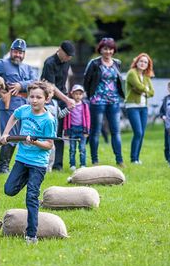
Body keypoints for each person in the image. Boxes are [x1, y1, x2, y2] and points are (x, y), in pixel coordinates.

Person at [0, 81, 56, 245]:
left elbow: (49, 145)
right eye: (31, 96)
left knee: (31, 197)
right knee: (9, 190)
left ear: (46, 99)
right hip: (21, 160)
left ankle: (31, 235)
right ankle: (30, 184)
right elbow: (14, 116)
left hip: (38, 164)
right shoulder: (24, 111)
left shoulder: (48, 120)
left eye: (38, 97)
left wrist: (36, 142)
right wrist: (6, 133)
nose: (34, 100)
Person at [0, 38, 37, 173]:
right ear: (11, 51)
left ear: (24, 54)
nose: (18, 55)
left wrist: (21, 85)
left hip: (25, 105)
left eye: (21, 52)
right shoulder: (3, 64)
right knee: (10, 135)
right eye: (16, 52)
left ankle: (21, 165)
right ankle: (3, 167)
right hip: (9, 105)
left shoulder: (28, 68)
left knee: (22, 136)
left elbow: (36, 81)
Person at [83, 37, 125, 167]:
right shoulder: (94, 63)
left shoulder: (117, 63)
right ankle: (95, 160)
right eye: (105, 49)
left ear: (114, 50)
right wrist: (90, 95)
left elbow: (118, 81)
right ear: (100, 49)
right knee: (95, 131)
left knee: (115, 131)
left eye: (110, 49)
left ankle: (119, 160)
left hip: (114, 100)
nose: (108, 51)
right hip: (97, 100)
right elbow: (87, 80)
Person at [40, 40, 77, 171]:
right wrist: (67, 99)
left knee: (59, 134)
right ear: (60, 50)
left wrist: (68, 98)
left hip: (62, 99)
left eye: (70, 56)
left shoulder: (67, 62)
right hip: (49, 101)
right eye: (67, 55)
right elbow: (52, 87)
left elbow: (65, 81)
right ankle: (45, 163)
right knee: (50, 133)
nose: (68, 58)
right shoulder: (49, 63)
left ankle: (58, 165)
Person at [125, 53, 155, 164]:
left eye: (145, 62)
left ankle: (137, 158)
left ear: (148, 65)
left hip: (144, 107)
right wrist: (143, 89)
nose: (143, 64)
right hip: (132, 106)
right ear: (136, 62)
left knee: (141, 133)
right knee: (137, 132)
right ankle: (133, 159)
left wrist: (143, 90)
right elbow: (139, 86)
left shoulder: (146, 76)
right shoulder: (131, 73)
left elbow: (152, 92)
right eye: (141, 61)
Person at [63, 84, 90, 171]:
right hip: (72, 130)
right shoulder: (70, 105)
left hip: (82, 130)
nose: (78, 96)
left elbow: (88, 118)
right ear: (72, 94)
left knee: (82, 149)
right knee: (72, 149)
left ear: (82, 95)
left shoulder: (84, 105)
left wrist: (87, 130)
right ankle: (72, 165)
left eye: (80, 94)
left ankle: (83, 164)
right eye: (76, 94)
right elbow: (66, 118)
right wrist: (66, 131)